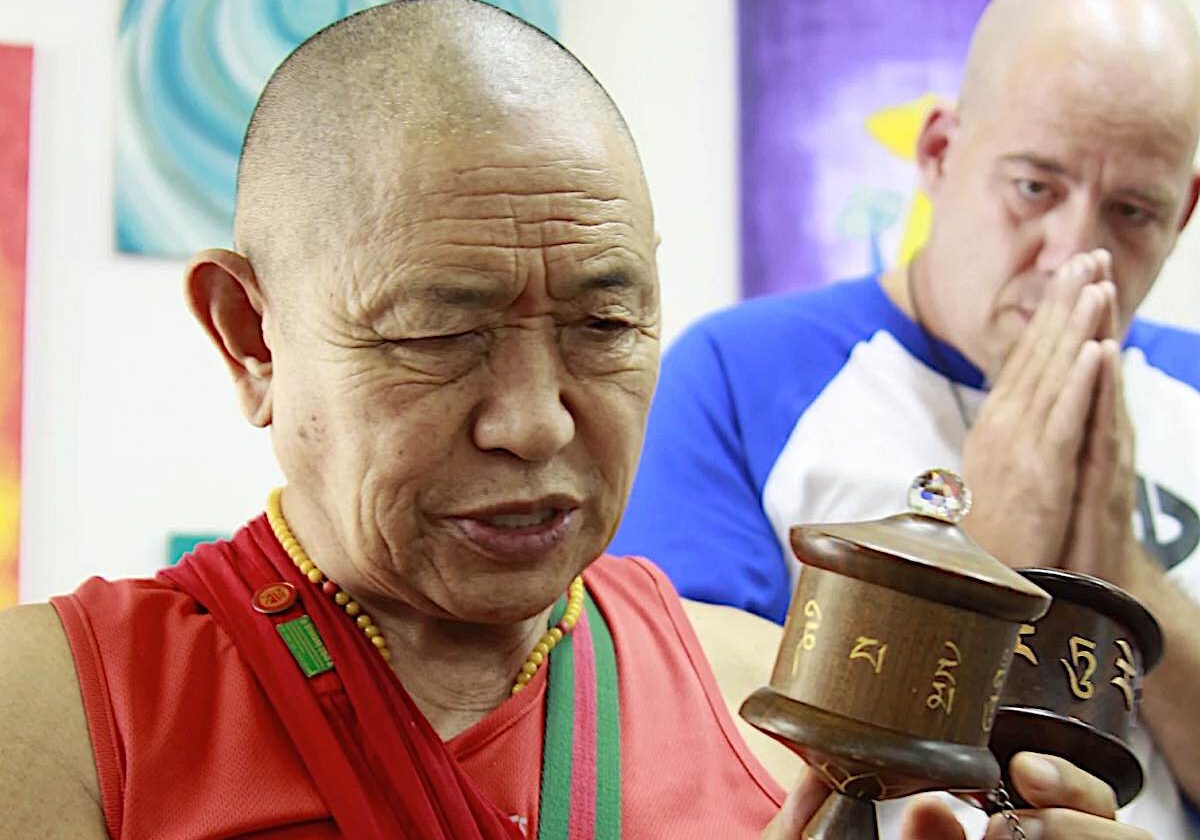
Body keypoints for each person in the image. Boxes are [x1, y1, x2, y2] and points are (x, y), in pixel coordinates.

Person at [0, 1, 1145, 838]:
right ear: (252, 337)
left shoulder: (783, 708)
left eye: (604, 328)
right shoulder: (57, 717)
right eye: (440, 334)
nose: (537, 424)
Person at [612, 0, 1200, 836]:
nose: (1074, 252)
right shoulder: (736, 375)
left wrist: (1124, 570)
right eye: (1034, 186)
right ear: (940, 153)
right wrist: (986, 570)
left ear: (1184, 211)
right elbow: (684, 755)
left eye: (1133, 211)